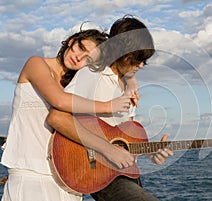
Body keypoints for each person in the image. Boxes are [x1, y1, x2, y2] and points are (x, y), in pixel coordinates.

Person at [0, 28, 138, 201]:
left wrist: (129, 79)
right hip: (30, 174)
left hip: (67, 180)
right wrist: (107, 106)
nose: (78, 57)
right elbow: (59, 100)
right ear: (71, 41)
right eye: (80, 47)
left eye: (88, 59)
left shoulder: (77, 85)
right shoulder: (36, 64)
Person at [46, 15, 173, 201]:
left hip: (123, 173)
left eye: (144, 60)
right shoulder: (92, 75)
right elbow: (57, 117)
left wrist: (152, 153)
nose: (141, 65)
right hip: (95, 170)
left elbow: (126, 139)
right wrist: (107, 148)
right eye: (136, 59)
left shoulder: (128, 89)